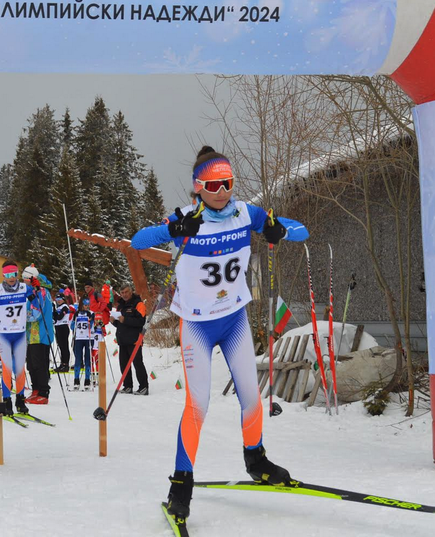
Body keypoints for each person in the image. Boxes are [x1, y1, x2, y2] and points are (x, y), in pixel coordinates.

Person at [131, 145, 309, 521]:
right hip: (196, 324)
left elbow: (299, 229)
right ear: (197, 188)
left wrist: (280, 230)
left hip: (234, 320)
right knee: (198, 407)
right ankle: (181, 486)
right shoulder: (186, 218)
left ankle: (256, 460)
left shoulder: (246, 213)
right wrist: (172, 229)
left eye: (227, 183)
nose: (222, 191)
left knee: (252, 398)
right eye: (213, 186)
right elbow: (138, 240)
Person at [0, 260, 33, 414]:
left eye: (14, 274)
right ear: (3, 275)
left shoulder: (23, 288)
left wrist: (36, 288)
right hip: (4, 335)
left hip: (20, 334)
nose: (11, 277)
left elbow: (36, 296)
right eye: (7, 274)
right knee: (7, 369)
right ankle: (6, 401)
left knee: (20, 368)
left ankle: (20, 400)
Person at [23, 265, 54, 405]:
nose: (24, 282)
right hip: (30, 335)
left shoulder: (42, 291)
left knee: (40, 364)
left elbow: (37, 313)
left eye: (26, 279)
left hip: (41, 334)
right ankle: (35, 389)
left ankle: (43, 391)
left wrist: (22, 317)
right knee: (31, 364)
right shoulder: (30, 291)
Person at [111, 284, 149, 395]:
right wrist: (114, 321)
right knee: (123, 364)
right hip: (122, 339)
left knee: (137, 363)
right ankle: (127, 386)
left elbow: (141, 321)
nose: (124, 295)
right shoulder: (121, 305)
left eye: (126, 292)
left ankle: (144, 387)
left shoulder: (138, 303)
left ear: (131, 291)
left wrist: (124, 320)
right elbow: (120, 324)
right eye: (122, 293)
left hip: (134, 340)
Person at [70, 303, 95, 391]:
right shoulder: (77, 313)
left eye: (88, 304)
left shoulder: (91, 313)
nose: (86, 306)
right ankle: (76, 380)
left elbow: (92, 325)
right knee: (78, 359)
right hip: (78, 338)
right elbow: (72, 326)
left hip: (88, 338)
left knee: (87, 359)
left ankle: (87, 380)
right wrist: (73, 324)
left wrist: (91, 321)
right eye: (85, 304)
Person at [53, 293, 72, 372]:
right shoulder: (59, 307)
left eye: (60, 299)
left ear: (63, 299)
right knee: (60, 346)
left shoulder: (65, 307)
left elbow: (59, 317)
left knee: (64, 346)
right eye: (57, 300)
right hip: (58, 327)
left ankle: (66, 364)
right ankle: (62, 363)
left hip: (63, 327)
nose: (58, 301)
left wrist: (55, 314)